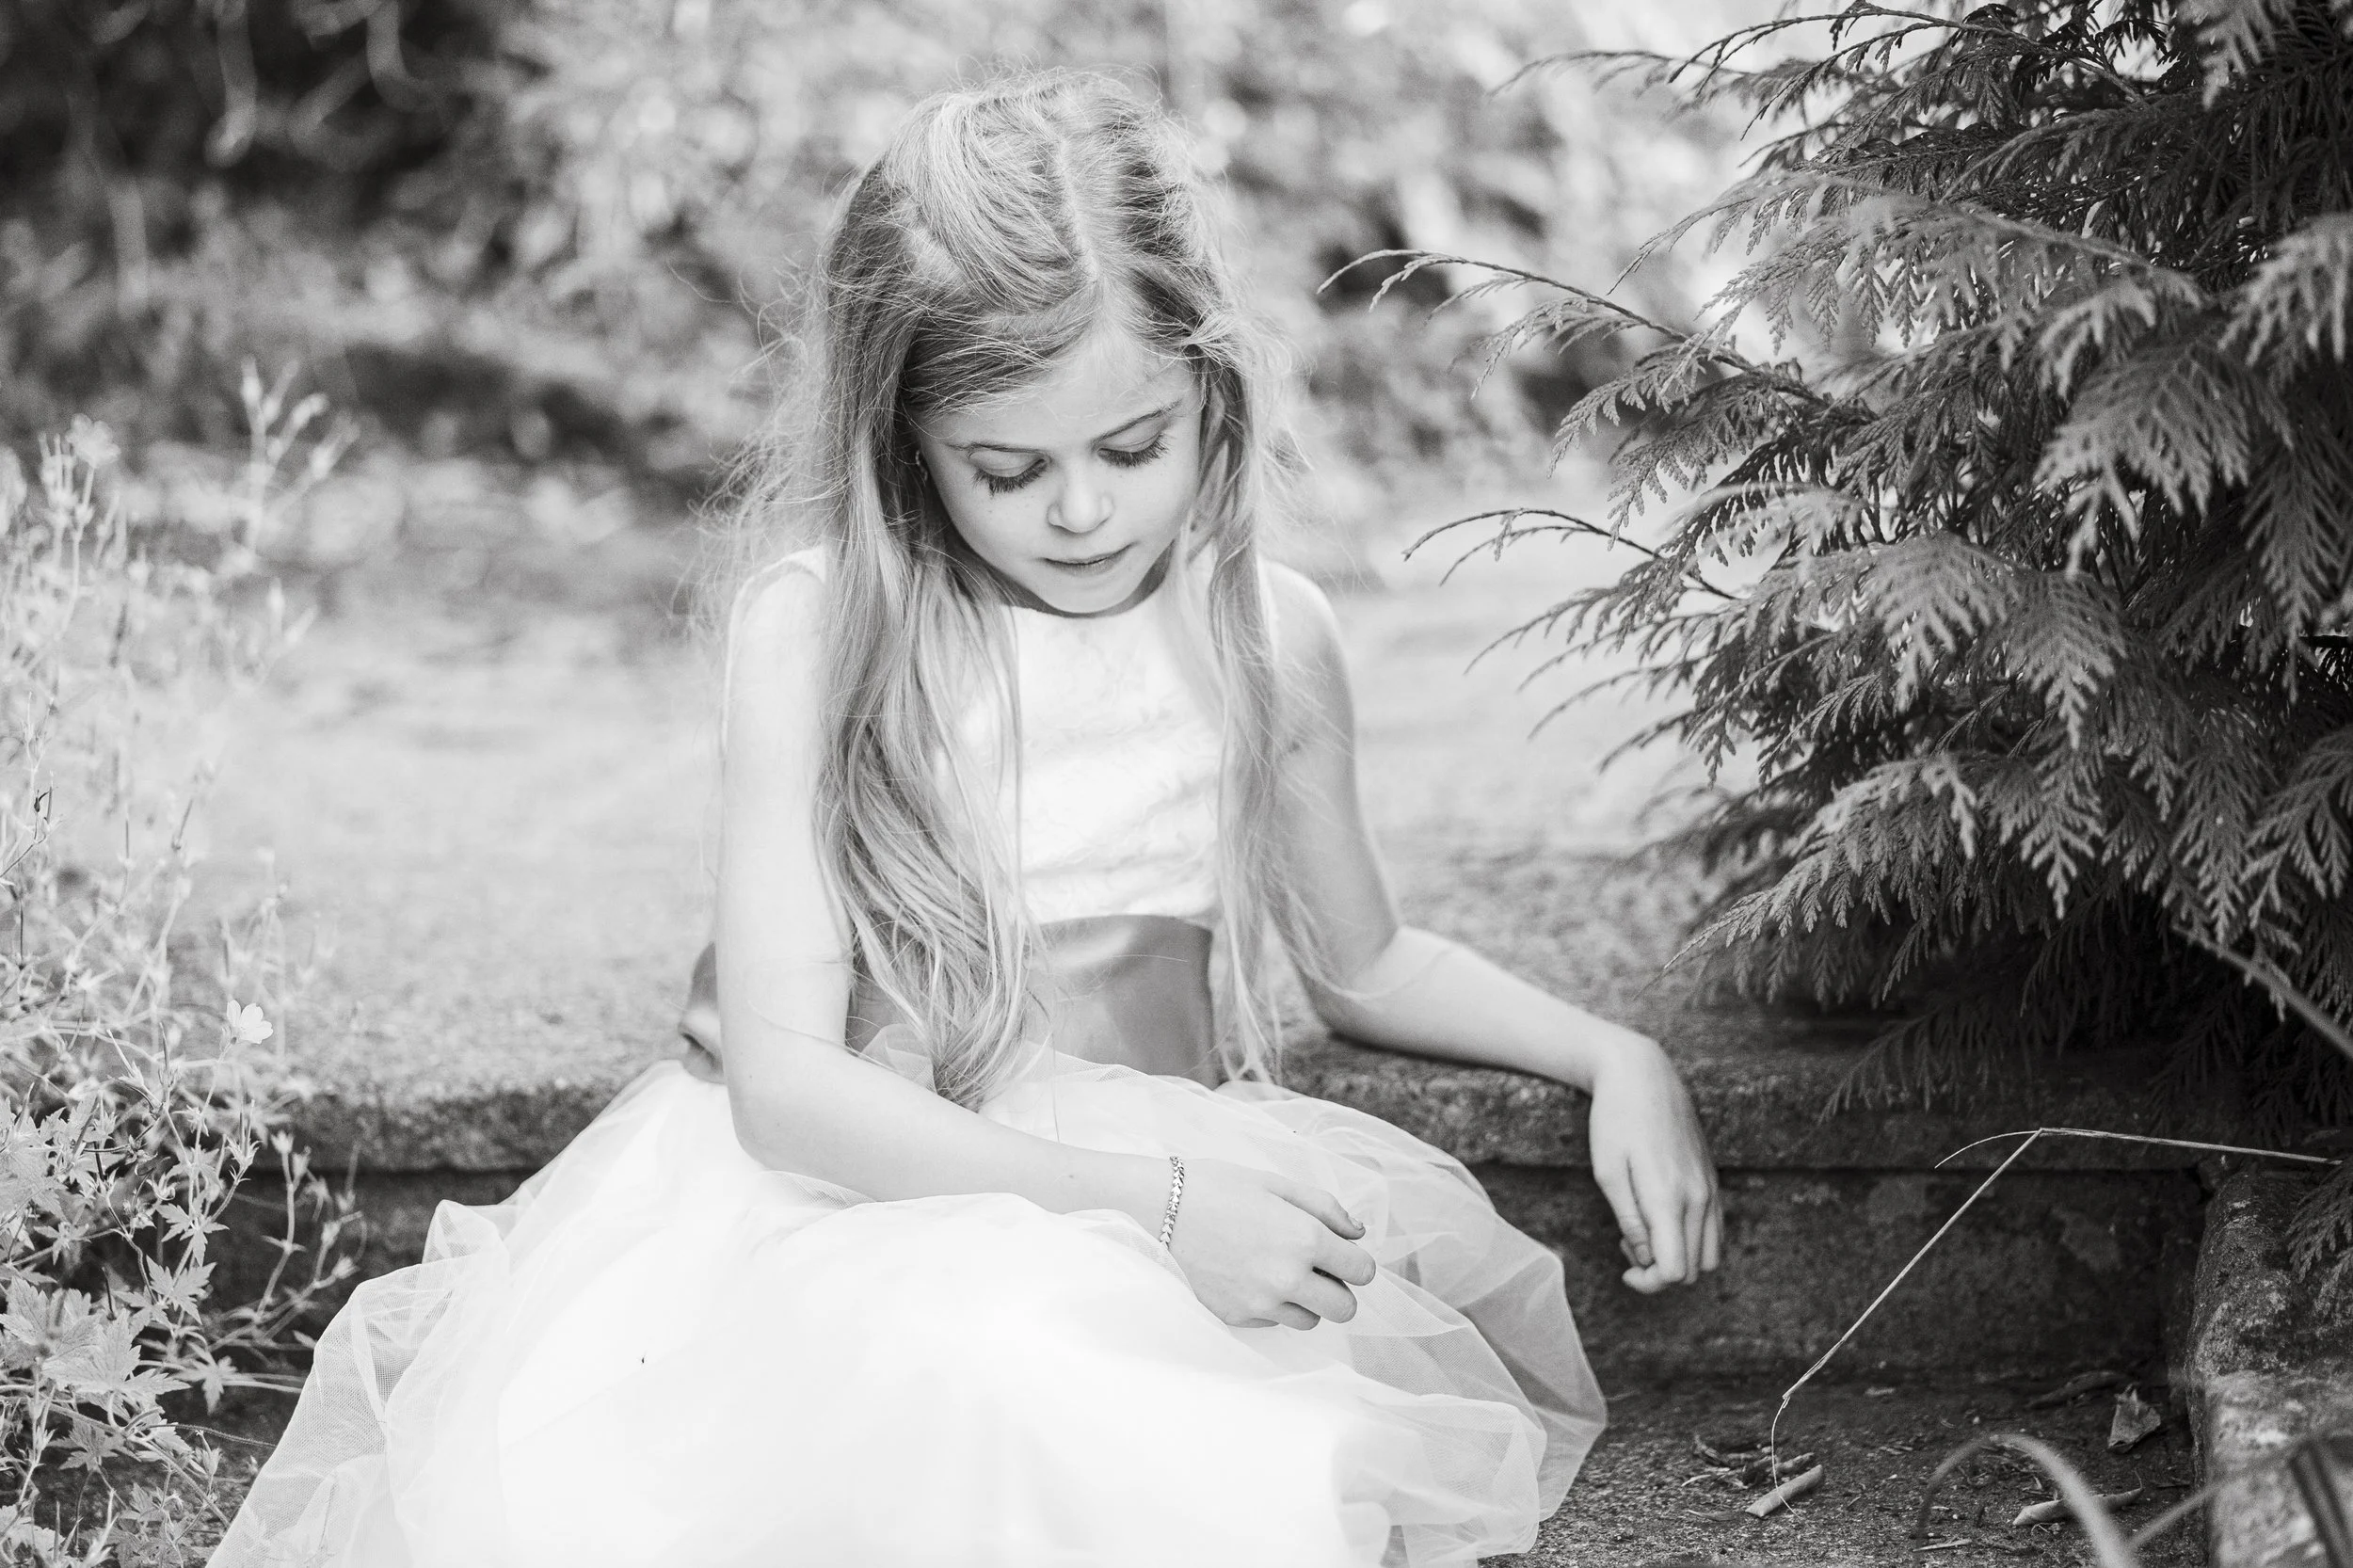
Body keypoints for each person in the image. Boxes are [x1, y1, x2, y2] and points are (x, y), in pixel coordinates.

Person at [216, 71, 1721, 1568]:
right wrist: (1162, 1207)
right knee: (973, 1382)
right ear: (906, 448)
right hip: (873, 1184)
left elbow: (1364, 960)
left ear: (1213, 388)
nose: (1081, 512)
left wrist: (1610, 1053)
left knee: (1193, 1463)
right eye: (1008, 469)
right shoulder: (819, 633)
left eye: (1133, 447)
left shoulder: (1270, 635)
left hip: (1160, 1173)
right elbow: (788, 1089)